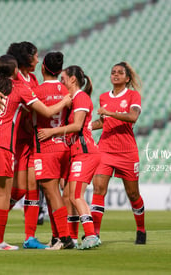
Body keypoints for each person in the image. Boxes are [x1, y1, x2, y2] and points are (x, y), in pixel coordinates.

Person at [0, 54, 71, 251]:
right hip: (2, 145)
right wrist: (64, 101)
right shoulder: (19, 89)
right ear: (15, 71)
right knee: (3, 194)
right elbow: (45, 111)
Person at [0, 42, 45, 249]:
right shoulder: (14, 77)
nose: (38, 59)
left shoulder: (34, 79)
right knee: (17, 191)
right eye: (36, 56)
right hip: (15, 140)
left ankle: (30, 237)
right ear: (27, 58)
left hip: (33, 140)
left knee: (33, 187)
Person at [38, 65, 101, 249]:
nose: (61, 83)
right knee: (67, 196)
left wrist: (52, 132)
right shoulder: (72, 99)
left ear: (73, 80)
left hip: (85, 152)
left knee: (75, 195)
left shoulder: (81, 97)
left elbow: (77, 126)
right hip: (77, 152)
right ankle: (72, 237)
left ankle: (90, 235)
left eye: (63, 79)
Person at [90, 62, 146, 244]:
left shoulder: (133, 95)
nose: (115, 75)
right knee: (98, 189)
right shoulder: (103, 97)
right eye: (113, 72)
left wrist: (109, 112)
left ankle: (141, 229)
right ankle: (94, 234)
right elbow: (104, 121)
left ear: (127, 78)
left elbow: (132, 117)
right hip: (105, 148)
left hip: (127, 152)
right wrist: (88, 126)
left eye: (120, 73)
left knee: (133, 195)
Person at [31, 52, 76, 250]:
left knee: (52, 192)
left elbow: (29, 117)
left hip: (45, 145)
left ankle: (66, 238)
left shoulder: (37, 91)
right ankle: (57, 236)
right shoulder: (66, 90)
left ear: (42, 68)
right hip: (63, 145)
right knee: (53, 193)